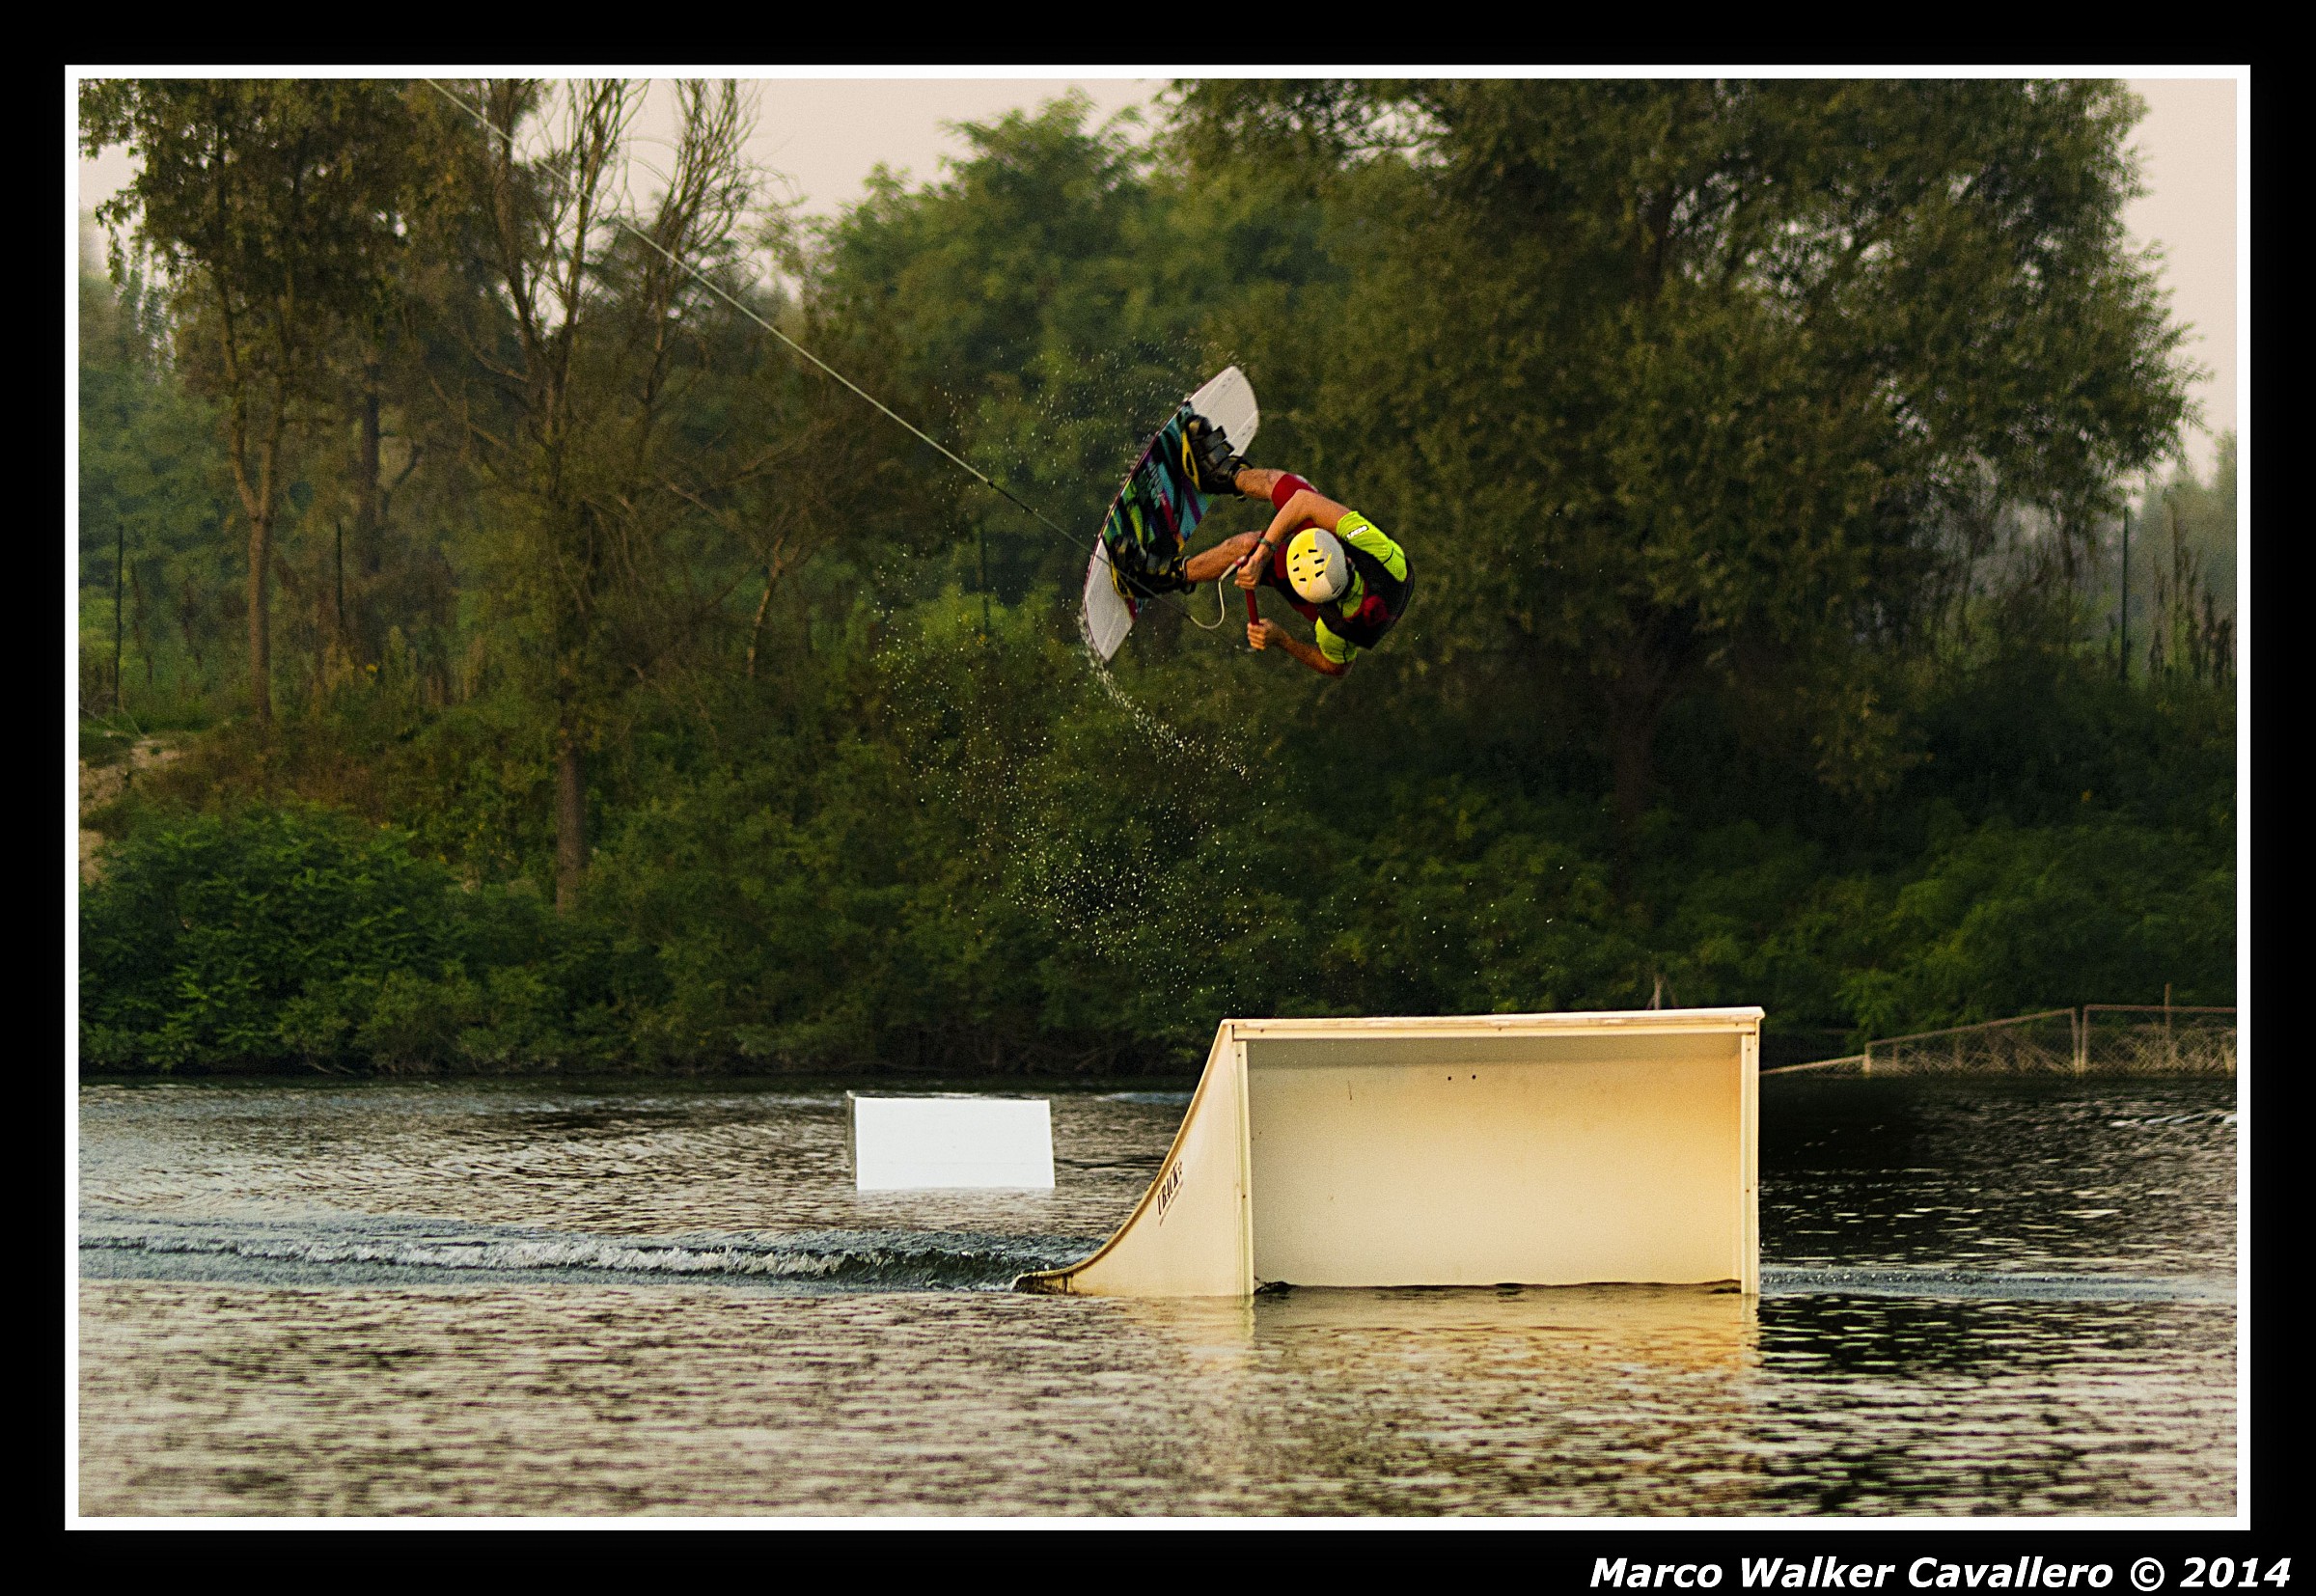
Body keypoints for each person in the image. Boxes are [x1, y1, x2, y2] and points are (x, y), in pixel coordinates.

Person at [1178, 422, 1412, 677]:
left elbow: (1337, 667)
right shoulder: (1385, 557)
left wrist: (1282, 639)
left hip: (1323, 594)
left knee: (1244, 547)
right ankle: (1222, 476)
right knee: (1286, 487)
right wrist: (1263, 555)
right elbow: (1303, 503)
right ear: (1346, 558)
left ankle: (1172, 574)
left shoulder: (1332, 630)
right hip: (1375, 575)